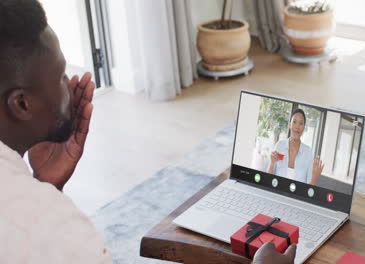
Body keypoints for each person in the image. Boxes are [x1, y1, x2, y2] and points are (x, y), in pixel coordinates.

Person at [0, 0, 296, 263]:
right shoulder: (51, 230)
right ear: (22, 104)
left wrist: (47, 188)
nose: (70, 83)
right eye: (60, 74)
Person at [267, 109, 325, 185]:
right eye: (294, 122)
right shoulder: (279, 146)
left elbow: (309, 190)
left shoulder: (308, 153)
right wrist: (272, 163)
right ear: (289, 125)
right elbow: (268, 180)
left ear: (304, 127)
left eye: (301, 123)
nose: (297, 126)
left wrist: (315, 177)